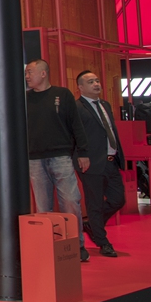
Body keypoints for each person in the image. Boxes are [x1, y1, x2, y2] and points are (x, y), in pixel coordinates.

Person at [25, 59, 89, 261]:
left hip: (61, 156)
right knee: (43, 207)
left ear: (43, 74)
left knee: (70, 202)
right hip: (34, 158)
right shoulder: (23, 99)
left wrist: (83, 152)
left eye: (30, 72)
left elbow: (76, 125)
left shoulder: (63, 94)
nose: (27, 76)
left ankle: (76, 245)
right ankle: (49, 245)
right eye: (26, 73)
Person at [76, 70, 124, 258]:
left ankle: (93, 226)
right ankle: (103, 242)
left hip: (111, 161)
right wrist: (81, 155)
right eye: (90, 82)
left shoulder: (105, 104)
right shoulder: (77, 107)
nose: (96, 84)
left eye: (97, 80)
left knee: (118, 199)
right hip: (91, 162)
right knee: (94, 204)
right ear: (80, 87)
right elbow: (76, 136)